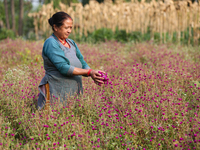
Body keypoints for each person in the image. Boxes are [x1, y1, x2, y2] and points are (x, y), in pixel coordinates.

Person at [37, 11, 105, 110]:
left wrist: (93, 74)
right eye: (66, 28)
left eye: (71, 27)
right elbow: (64, 68)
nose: (69, 31)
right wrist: (89, 72)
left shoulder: (71, 42)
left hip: (72, 91)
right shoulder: (51, 42)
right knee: (56, 118)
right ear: (55, 27)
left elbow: (82, 62)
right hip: (56, 90)